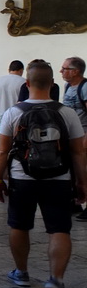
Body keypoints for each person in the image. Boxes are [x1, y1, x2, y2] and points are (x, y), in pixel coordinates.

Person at [0, 62, 86, 288]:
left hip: (22, 177)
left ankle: (21, 273)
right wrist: (82, 183)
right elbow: (78, 152)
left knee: (19, 224)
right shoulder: (67, 113)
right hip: (59, 178)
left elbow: (2, 151)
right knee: (59, 228)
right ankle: (56, 279)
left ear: (27, 84)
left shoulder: (13, 113)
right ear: (53, 84)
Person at [60, 56, 87, 222]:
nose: (61, 71)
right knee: (73, 169)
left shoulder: (85, 87)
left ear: (75, 71)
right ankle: (75, 201)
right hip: (71, 134)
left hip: (83, 132)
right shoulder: (68, 85)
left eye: (64, 68)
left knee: (84, 169)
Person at [0, 60, 25, 136]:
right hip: (19, 119)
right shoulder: (24, 82)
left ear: (9, 70)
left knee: (3, 144)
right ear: (21, 71)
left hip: (0, 119)